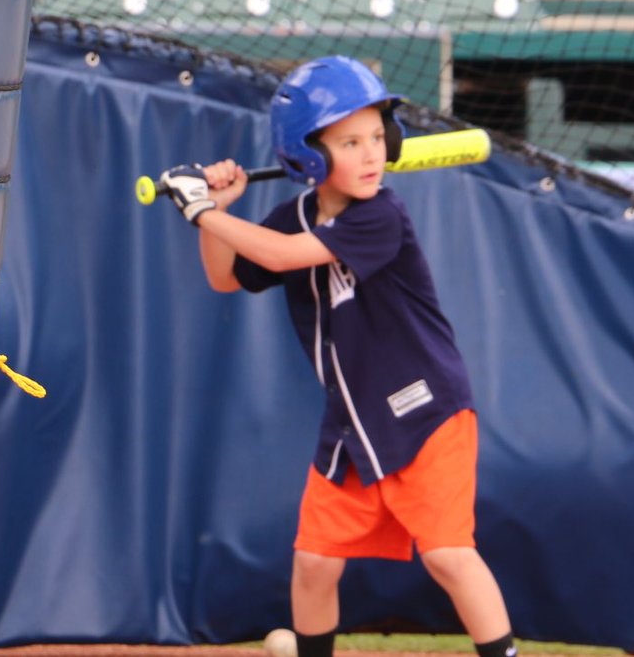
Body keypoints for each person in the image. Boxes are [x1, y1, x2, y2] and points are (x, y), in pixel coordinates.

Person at [160, 55, 516, 657]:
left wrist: (201, 210)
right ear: (308, 156)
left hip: (426, 413)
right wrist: (214, 214)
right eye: (350, 143)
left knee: (449, 554)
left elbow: (280, 256)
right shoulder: (294, 216)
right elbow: (226, 277)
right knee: (314, 562)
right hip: (352, 424)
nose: (373, 154)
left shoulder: (380, 214)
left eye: (378, 136)